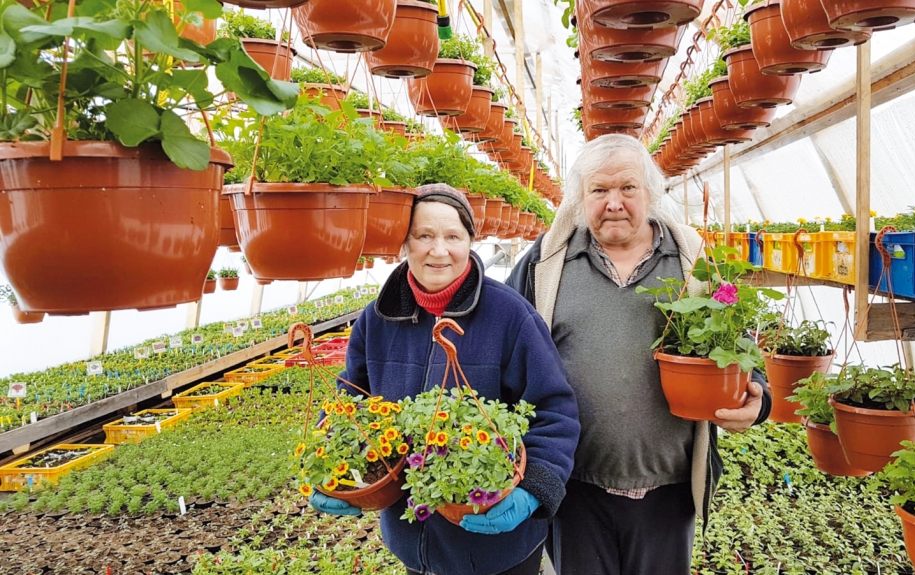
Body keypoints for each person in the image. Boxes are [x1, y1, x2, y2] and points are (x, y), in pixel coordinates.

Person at [506, 134, 772, 575]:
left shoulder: (691, 259)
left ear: (650, 193)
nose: (614, 202)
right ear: (579, 198)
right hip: (573, 486)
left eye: (627, 188)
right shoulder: (545, 262)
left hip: (667, 490)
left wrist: (758, 397)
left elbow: (738, 345)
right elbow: (505, 346)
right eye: (599, 190)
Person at [308, 184, 581, 575]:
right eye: (424, 236)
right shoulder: (376, 319)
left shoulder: (510, 316)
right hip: (413, 544)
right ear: (405, 243)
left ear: (471, 240)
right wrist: (329, 466)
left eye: (453, 236)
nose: (439, 251)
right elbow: (348, 402)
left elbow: (555, 410)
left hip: (499, 550)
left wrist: (534, 488)